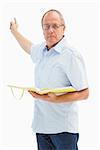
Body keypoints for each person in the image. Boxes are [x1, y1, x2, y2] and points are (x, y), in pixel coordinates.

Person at [10, 9, 89, 150]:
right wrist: (14, 31)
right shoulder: (42, 50)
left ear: (63, 28)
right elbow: (29, 47)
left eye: (55, 26)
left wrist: (55, 99)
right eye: (46, 26)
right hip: (42, 128)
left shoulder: (71, 55)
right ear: (42, 30)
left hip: (63, 130)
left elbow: (84, 93)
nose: (50, 30)